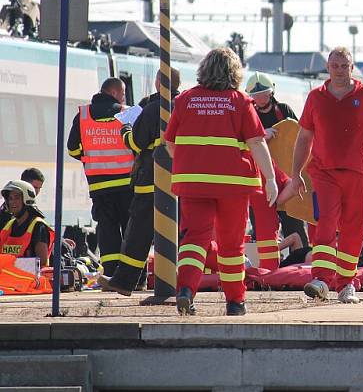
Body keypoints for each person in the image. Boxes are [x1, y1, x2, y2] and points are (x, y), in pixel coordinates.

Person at [165, 48, 279, 316]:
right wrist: (271, 178)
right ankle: (235, 302)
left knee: (194, 240)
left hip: (193, 183)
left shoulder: (185, 100)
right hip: (232, 184)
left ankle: (185, 291)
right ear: (235, 73)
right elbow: (257, 142)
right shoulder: (240, 101)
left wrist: (194, 160)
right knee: (231, 245)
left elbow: (170, 144)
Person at [285, 47, 363, 304]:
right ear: (328, 67)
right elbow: (304, 138)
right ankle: (322, 279)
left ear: (351, 67)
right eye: (334, 66)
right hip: (324, 172)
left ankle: (347, 284)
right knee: (325, 223)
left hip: (358, 173)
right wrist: (296, 174)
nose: (339, 70)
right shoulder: (316, 98)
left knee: (354, 228)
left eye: (344, 66)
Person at [97, 67, 181, 296]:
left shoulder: (154, 109)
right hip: (182, 181)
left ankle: (124, 281)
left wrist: (125, 130)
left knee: (138, 234)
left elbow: (136, 143)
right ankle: (184, 284)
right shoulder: (185, 106)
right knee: (182, 234)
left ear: (158, 83)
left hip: (151, 181)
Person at [67, 77, 135, 277]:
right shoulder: (127, 113)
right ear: (114, 93)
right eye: (122, 94)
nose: (123, 98)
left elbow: (72, 149)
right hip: (127, 183)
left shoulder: (83, 115)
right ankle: (133, 278)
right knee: (131, 229)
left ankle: (111, 275)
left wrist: (90, 156)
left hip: (99, 185)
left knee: (107, 230)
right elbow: (138, 144)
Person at [245, 71, 307, 268]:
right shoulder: (248, 113)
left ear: (270, 93)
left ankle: (300, 264)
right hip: (258, 179)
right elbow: (244, 139)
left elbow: (298, 135)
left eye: (262, 93)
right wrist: (263, 134)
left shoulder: (284, 111)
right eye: (255, 95)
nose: (258, 98)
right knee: (261, 227)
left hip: (284, 174)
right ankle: (266, 266)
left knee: (294, 223)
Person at [0, 180, 54, 265]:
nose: (12, 202)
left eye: (16, 197)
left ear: (27, 199)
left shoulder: (38, 226)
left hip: (30, 278)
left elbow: (41, 263)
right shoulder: (9, 226)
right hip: (8, 277)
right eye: (10, 198)